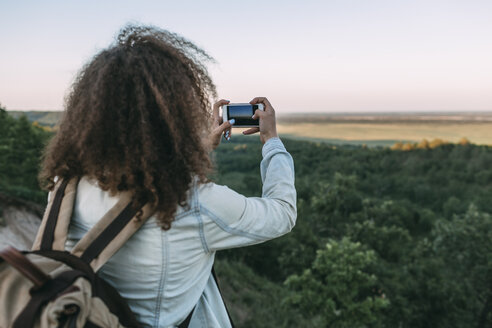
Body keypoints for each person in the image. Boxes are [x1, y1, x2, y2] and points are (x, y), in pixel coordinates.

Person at [38, 25, 296, 328]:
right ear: (176, 114)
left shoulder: (65, 184)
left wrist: (198, 150)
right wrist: (272, 142)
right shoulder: (195, 203)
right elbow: (282, 212)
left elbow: (141, 175)